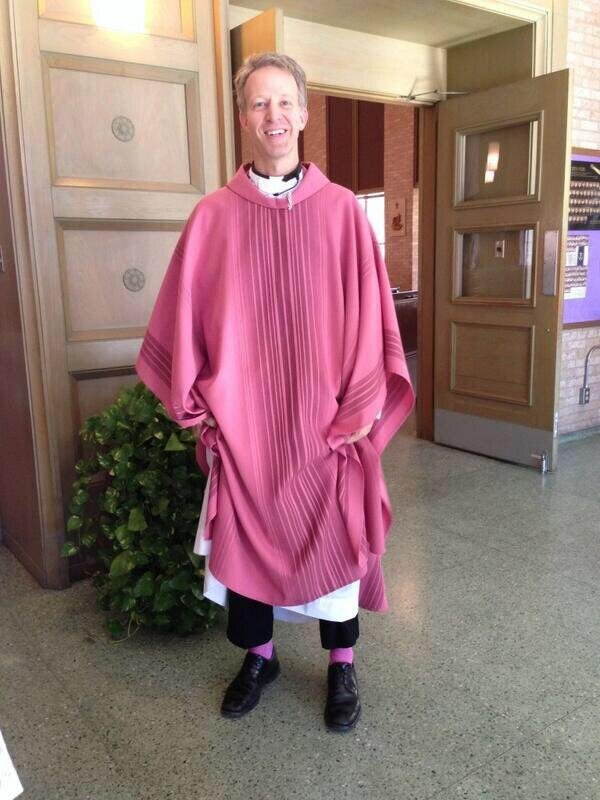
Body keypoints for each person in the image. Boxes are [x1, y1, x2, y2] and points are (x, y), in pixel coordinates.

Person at [135, 52, 414, 734]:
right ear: (243, 118)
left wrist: (359, 409)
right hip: (247, 429)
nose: (274, 115)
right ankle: (259, 658)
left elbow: (371, 317)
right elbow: (182, 321)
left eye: (285, 101)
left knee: (339, 545)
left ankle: (342, 664)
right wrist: (204, 416)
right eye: (259, 103)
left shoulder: (343, 213)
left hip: (326, 426)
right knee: (245, 547)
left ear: (305, 113)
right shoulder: (212, 218)